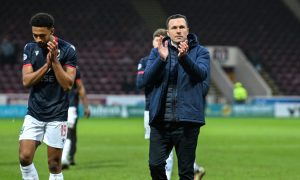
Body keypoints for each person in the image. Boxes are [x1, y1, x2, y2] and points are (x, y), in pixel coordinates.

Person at [143, 14, 210, 180]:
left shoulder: (201, 52)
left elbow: (201, 74)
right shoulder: (157, 52)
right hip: (160, 121)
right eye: (174, 28)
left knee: (186, 172)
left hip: (187, 121)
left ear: (187, 30)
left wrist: (184, 58)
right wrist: (161, 59)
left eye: (182, 27)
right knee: (155, 164)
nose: (178, 31)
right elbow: (146, 79)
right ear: (168, 32)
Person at [19, 12, 77, 180]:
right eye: (34, 35)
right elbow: (26, 81)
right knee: (24, 157)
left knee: (53, 165)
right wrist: (47, 65)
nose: (38, 39)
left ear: (52, 30)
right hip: (34, 113)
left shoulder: (68, 50)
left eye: (42, 35)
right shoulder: (29, 48)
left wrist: (55, 62)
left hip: (57, 115)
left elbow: (67, 84)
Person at [61, 66, 91, 169]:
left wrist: (86, 106)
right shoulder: (53, 65)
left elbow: (80, 87)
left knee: (70, 132)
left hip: (71, 106)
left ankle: (66, 158)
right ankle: (67, 156)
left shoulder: (74, 69)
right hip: (57, 106)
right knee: (65, 132)